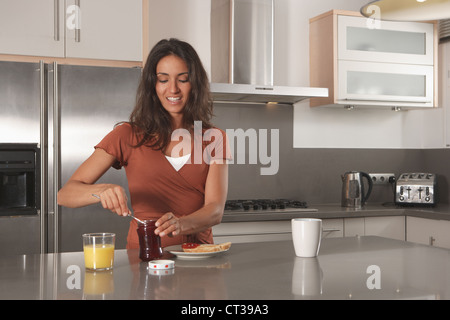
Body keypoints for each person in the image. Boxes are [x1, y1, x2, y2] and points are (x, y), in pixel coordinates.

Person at [57, 38, 230, 249]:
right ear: (152, 85)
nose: (173, 89)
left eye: (182, 79)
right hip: (143, 259)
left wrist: (181, 224)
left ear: (195, 84)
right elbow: (65, 195)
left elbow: (215, 210)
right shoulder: (127, 135)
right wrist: (101, 191)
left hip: (198, 257)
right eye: (163, 79)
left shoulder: (214, 138)